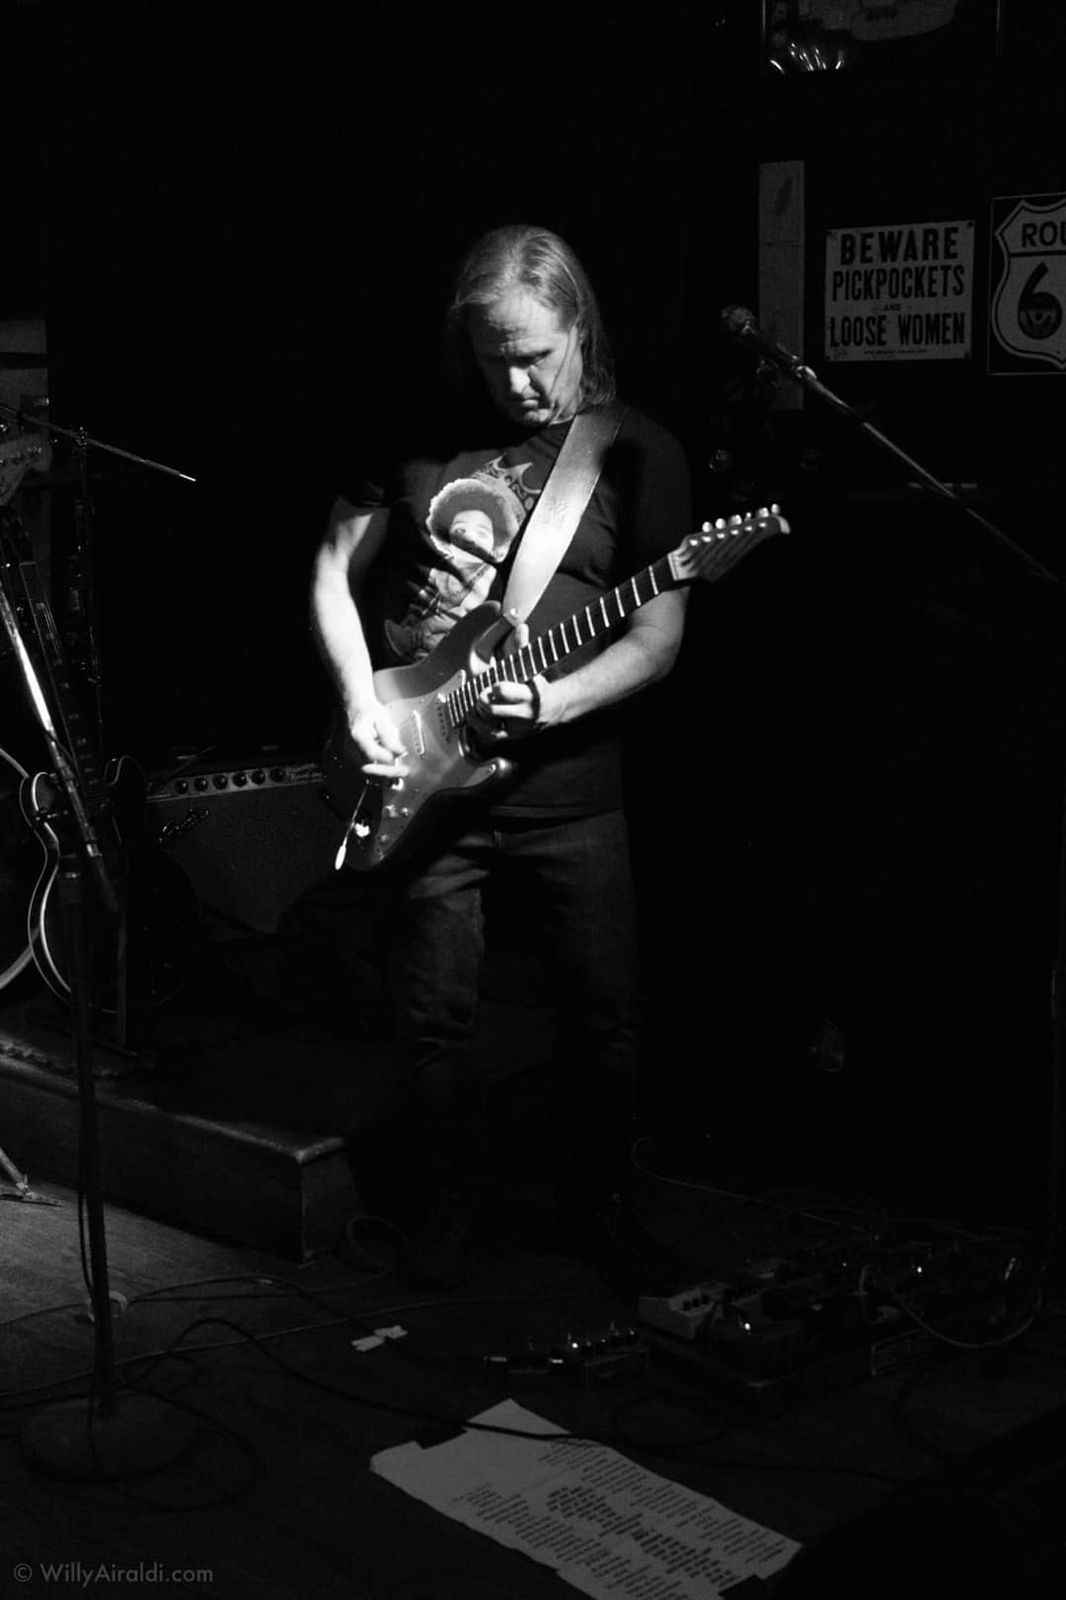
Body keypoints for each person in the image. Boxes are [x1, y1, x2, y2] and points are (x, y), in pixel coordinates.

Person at [310, 223, 693, 1292]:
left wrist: (555, 700)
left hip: (570, 794)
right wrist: (358, 703)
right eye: (496, 360)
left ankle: (599, 1207)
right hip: (421, 779)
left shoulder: (636, 453)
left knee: (605, 1019)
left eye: (538, 355)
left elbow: (658, 640)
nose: (519, 382)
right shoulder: (416, 435)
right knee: (432, 1022)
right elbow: (332, 571)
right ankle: (445, 1206)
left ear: (581, 329)